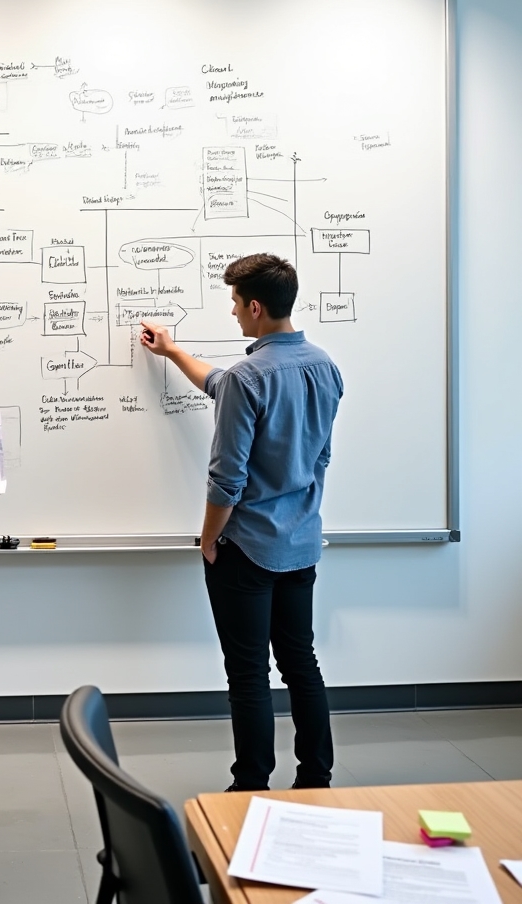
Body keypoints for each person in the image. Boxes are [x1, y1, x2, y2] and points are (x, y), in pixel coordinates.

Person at [140, 254, 343, 792]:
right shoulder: (324, 366)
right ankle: (316, 778)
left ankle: (251, 782)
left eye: (234, 302)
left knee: (249, 672)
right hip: (301, 541)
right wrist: (173, 351)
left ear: (254, 307)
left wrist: (209, 538)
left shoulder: (248, 378)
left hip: (246, 548)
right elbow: (317, 454)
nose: (232, 312)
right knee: (301, 663)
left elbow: (226, 478)